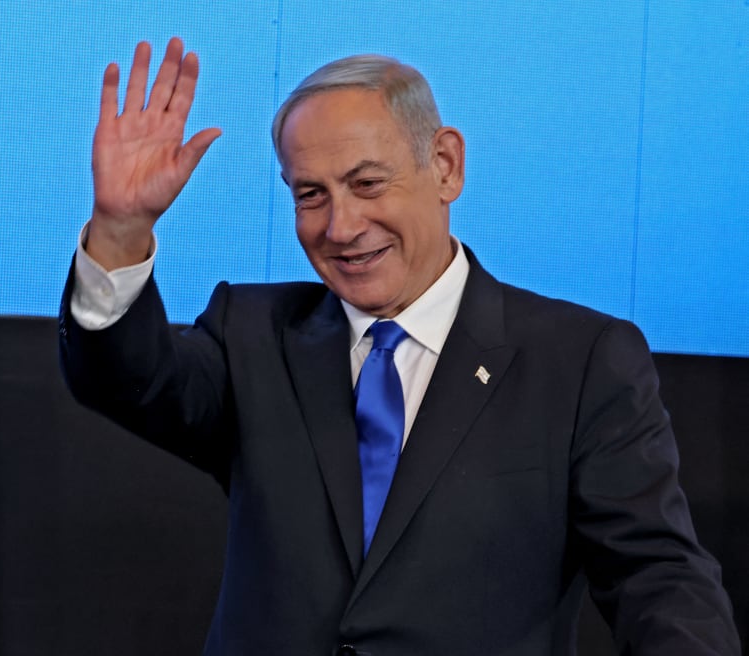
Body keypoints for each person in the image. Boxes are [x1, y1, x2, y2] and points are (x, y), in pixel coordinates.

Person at [58, 37, 741, 655]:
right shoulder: (252, 336)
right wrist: (119, 230)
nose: (341, 225)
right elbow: (126, 380)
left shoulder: (581, 361)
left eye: (366, 184)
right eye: (310, 195)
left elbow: (657, 573)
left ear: (445, 165)